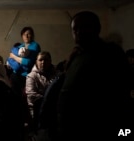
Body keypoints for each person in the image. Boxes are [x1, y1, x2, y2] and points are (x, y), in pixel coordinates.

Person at [57, 11, 133, 140]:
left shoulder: (110, 53)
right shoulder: (77, 56)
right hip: (72, 127)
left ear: (97, 28)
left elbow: (119, 92)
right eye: (75, 29)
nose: (79, 32)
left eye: (84, 27)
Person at [8, 26, 41, 140]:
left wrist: (14, 57)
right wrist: (15, 60)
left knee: (26, 101)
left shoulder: (34, 46)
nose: (27, 36)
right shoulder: (20, 46)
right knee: (15, 101)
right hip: (16, 76)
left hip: (27, 77)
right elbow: (10, 62)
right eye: (25, 34)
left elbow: (28, 62)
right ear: (22, 35)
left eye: (30, 34)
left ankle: (30, 127)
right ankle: (18, 125)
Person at [25, 51, 55, 136]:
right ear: (36, 62)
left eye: (46, 60)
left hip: (54, 109)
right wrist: (50, 100)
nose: (43, 62)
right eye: (40, 60)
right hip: (37, 111)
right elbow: (31, 95)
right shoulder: (31, 76)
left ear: (50, 61)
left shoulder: (57, 74)